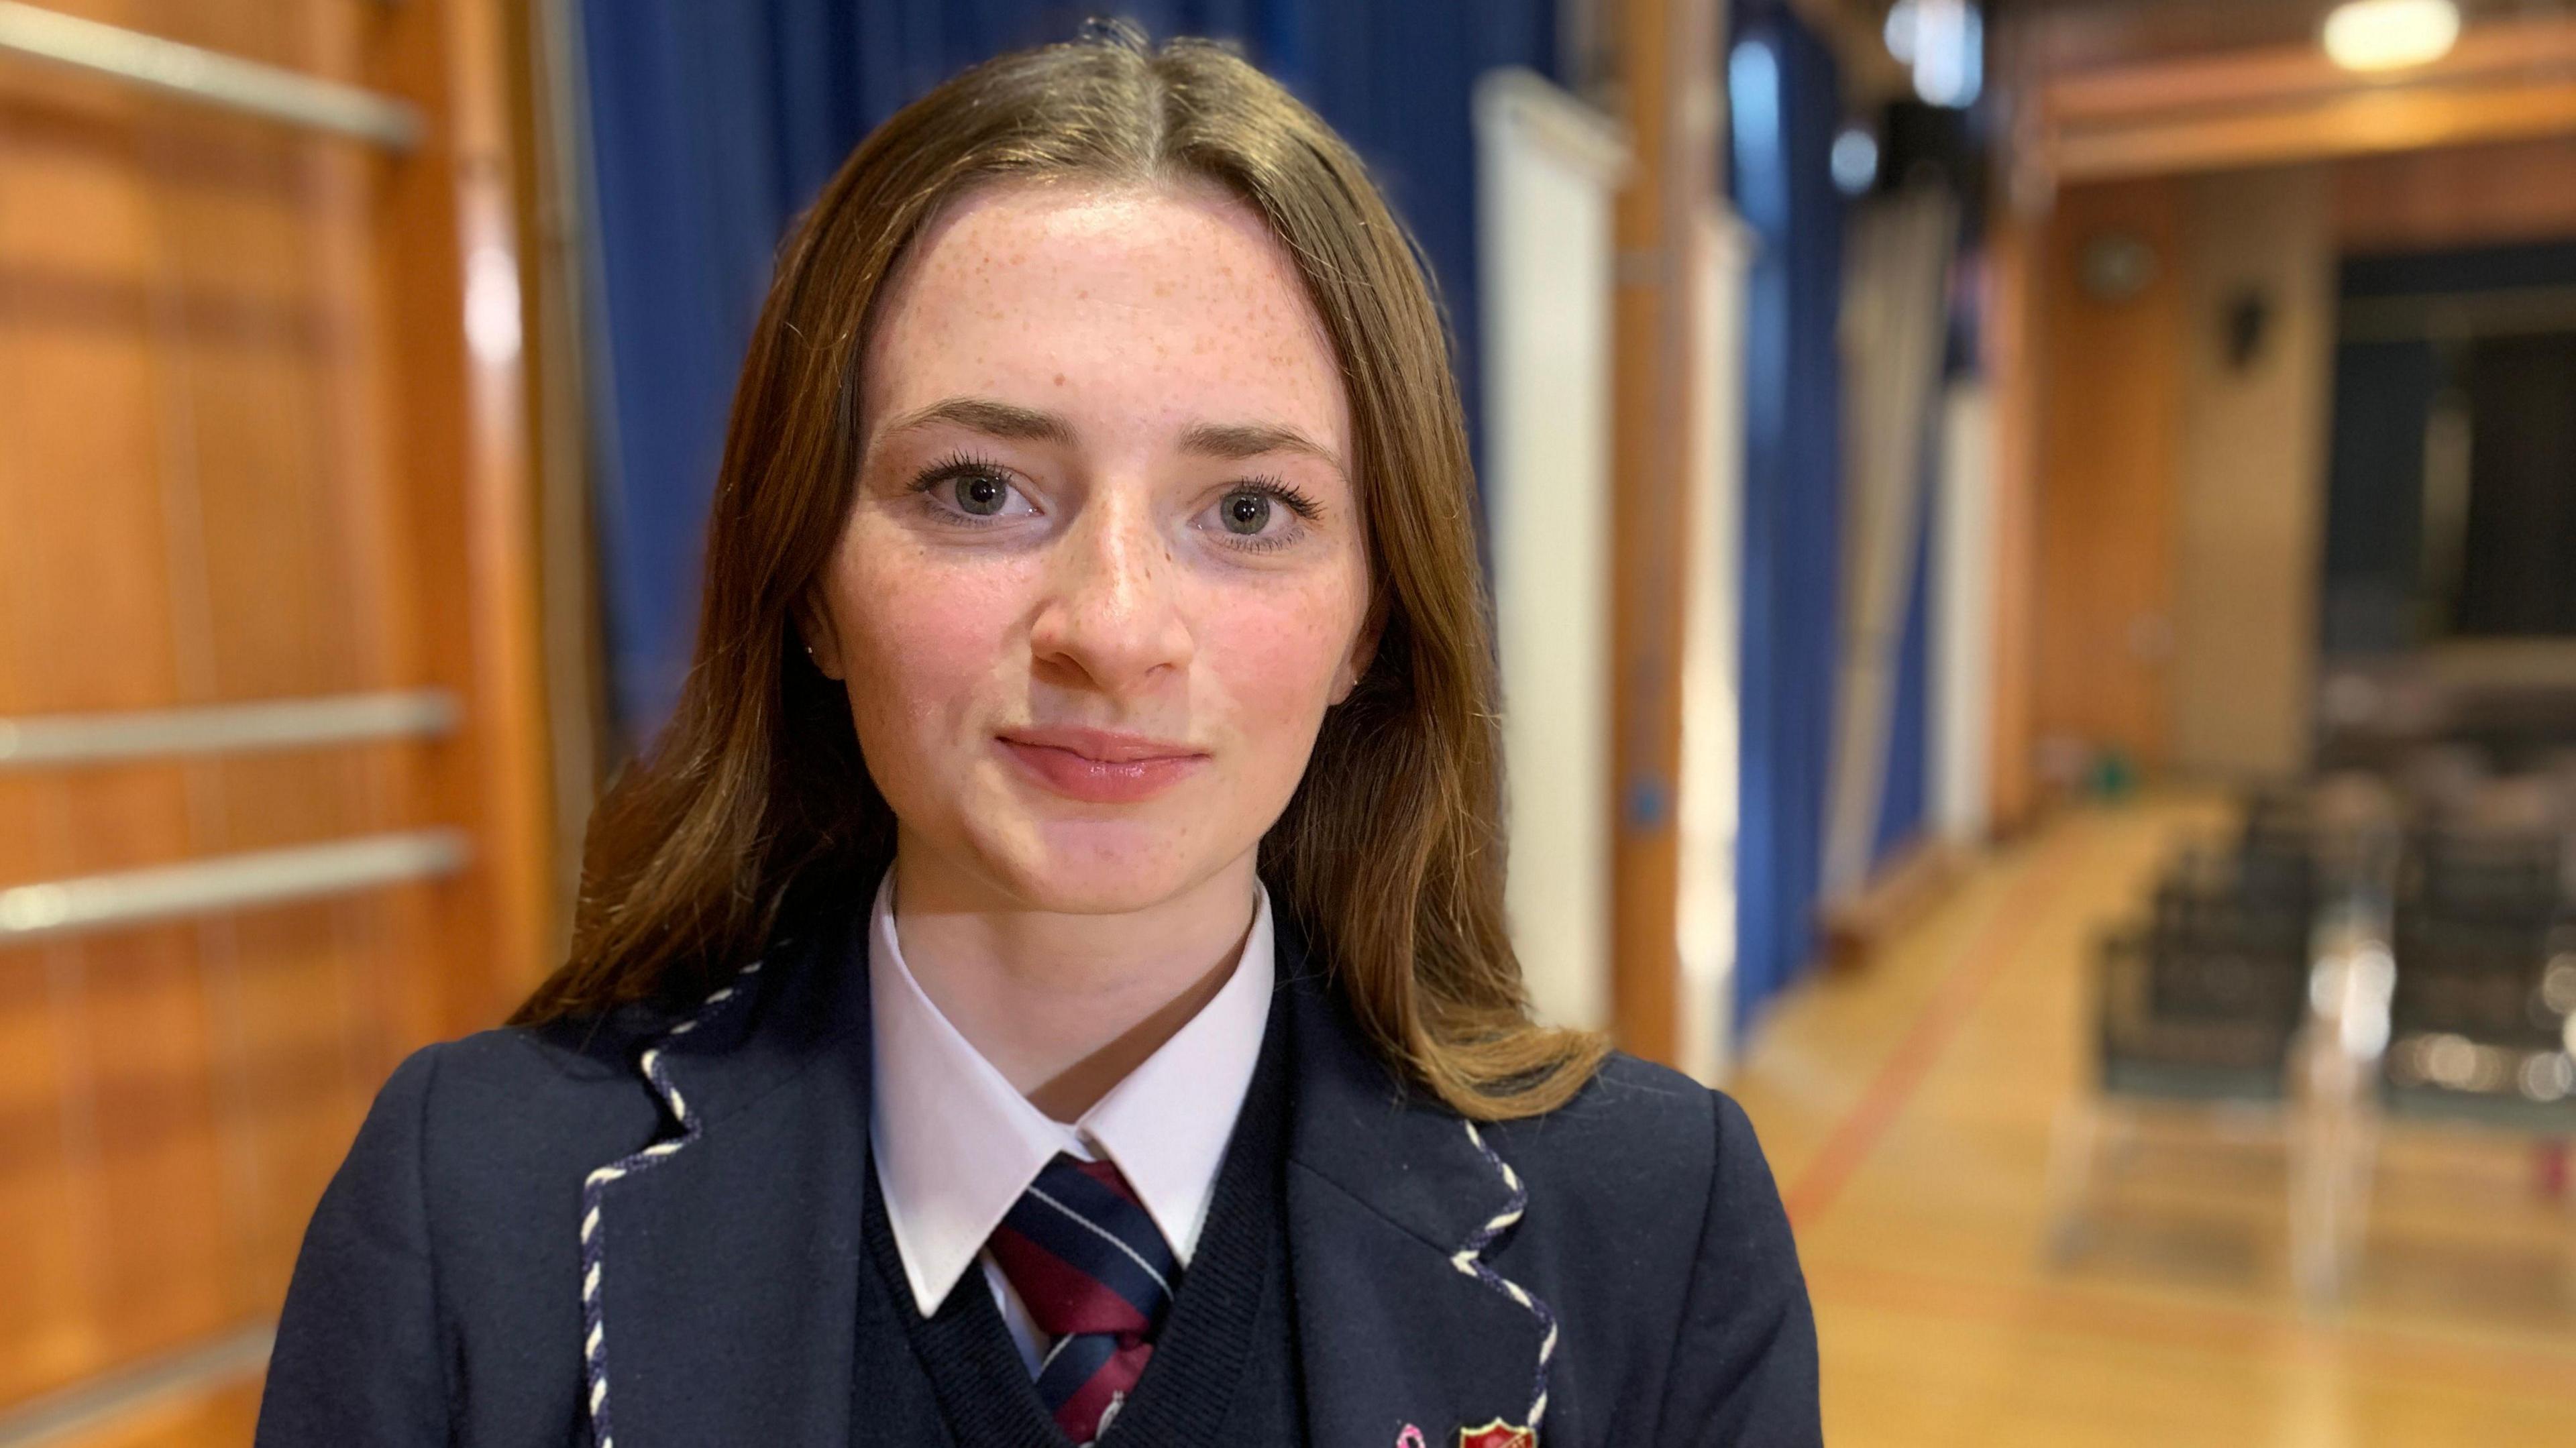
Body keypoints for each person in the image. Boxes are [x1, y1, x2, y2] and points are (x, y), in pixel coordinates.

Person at [255, 25, 1817, 1448]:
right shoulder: (471, 1209)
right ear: (809, 581)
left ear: (1372, 619)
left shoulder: (1658, 1230)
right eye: (979, 490)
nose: (1114, 626)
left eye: (1251, 511)